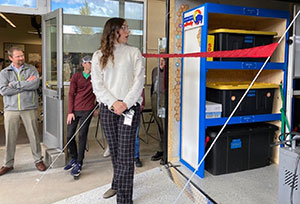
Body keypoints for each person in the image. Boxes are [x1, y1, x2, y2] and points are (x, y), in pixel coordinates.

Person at [91, 18, 144, 204]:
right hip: (108, 109)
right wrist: (114, 103)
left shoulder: (134, 53)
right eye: (124, 28)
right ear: (114, 31)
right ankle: (117, 183)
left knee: (126, 154)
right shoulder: (98, 56)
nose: (128, 31)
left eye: (127, 27)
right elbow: (97, 85)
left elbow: (139, 82)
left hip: (129, 109)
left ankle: (124, 199)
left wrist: (125, 103)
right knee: (114, 151)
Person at [0, 47, 46, 176]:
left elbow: (35, 85)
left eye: (22, 55)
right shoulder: (4, 73)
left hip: (29, 107)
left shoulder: (31, 69)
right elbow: (3, 90)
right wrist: (25, 84)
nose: (21, 58)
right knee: (10, 137)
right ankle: (8, 164)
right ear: (10, 58)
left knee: (34, 135)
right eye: (18, 56)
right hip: (11, 109)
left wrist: (14, 84)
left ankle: (38, 160)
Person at [63, 55, 98, 178]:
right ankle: (73, 158)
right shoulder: (76, 76)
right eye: (88, 62)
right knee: (69, 135)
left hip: (87, 110)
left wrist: (96, 108)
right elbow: (71, 94)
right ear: (83, 64)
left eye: (92, 62)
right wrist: (70, 111)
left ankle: (79, 162)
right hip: (75, 110)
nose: (91, 64)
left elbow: (100, 94)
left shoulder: (96, 77)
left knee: (82, 135)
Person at [150, 57, 166, 165]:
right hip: (155, 97)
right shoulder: (154, 70)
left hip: (163, 98)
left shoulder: (168, 71)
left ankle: (167, 152)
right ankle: (161, 149)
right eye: (160, 60)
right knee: (158, 125)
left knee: (165, 126)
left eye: (163, 60)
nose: (161, 62)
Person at [134, 90, 145, 168]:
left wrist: (140, 106)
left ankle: (136, 156)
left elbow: (141, 91)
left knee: (135, 136)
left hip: (135, 110)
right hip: (121, 110)